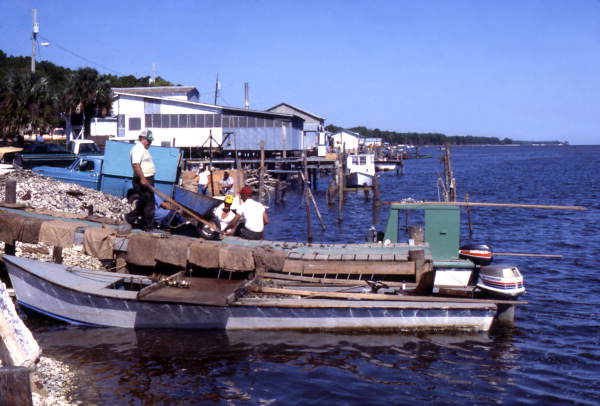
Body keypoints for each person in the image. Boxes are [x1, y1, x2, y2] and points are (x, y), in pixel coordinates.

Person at [125, 129, 156, 230]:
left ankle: (131, 218)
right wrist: (142, 178)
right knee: (149, 202)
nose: (150, 143)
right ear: (142, 139)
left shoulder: (144, 149)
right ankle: (148, 226)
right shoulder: (137, 149)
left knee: (145, 201)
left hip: (147, 178)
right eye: (149, 140)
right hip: (142, 179)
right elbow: (136, 164)